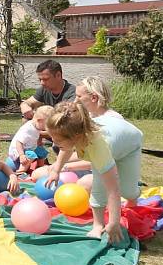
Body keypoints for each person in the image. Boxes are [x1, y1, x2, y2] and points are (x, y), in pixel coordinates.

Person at [45, 101, 143, 243]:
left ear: (76, 136)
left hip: (129, 146)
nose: (53, 142)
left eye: (57, 139)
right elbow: (65, 149)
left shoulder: (98, 148)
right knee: (98, 185)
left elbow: (113, 189)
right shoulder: (74, 131)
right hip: (111, 137)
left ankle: (134, 195)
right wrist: (56, 170)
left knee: (126, 191)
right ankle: (98, 224)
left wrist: (114, 222)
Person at [6, 105, 53, 174]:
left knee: (42, 152)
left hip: (29, 148)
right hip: (18, 151)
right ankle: (21, 172)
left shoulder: (37, 127)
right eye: (46, 125)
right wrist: (21, 155)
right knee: (31, 155)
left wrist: (39, 145)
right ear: (39, 120)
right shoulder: (28, 129)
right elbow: (18, 142)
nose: (47, 128)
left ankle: (40, 168)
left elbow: (37, 136)